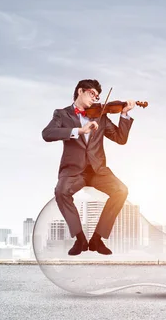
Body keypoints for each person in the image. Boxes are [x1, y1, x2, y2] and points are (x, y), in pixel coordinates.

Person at [41, 79, 135, 256]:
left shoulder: (100, 115)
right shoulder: (62, 114)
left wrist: (124, 114)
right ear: (80, 91)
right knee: (61, 192)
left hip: (97, 170)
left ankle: (97, 239)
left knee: (121, 190)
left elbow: (121, 139)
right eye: (92, 93)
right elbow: (47, 134)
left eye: (98, 96)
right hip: (74, 170)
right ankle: (80, 239)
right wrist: (79, 131)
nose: (95, 98)